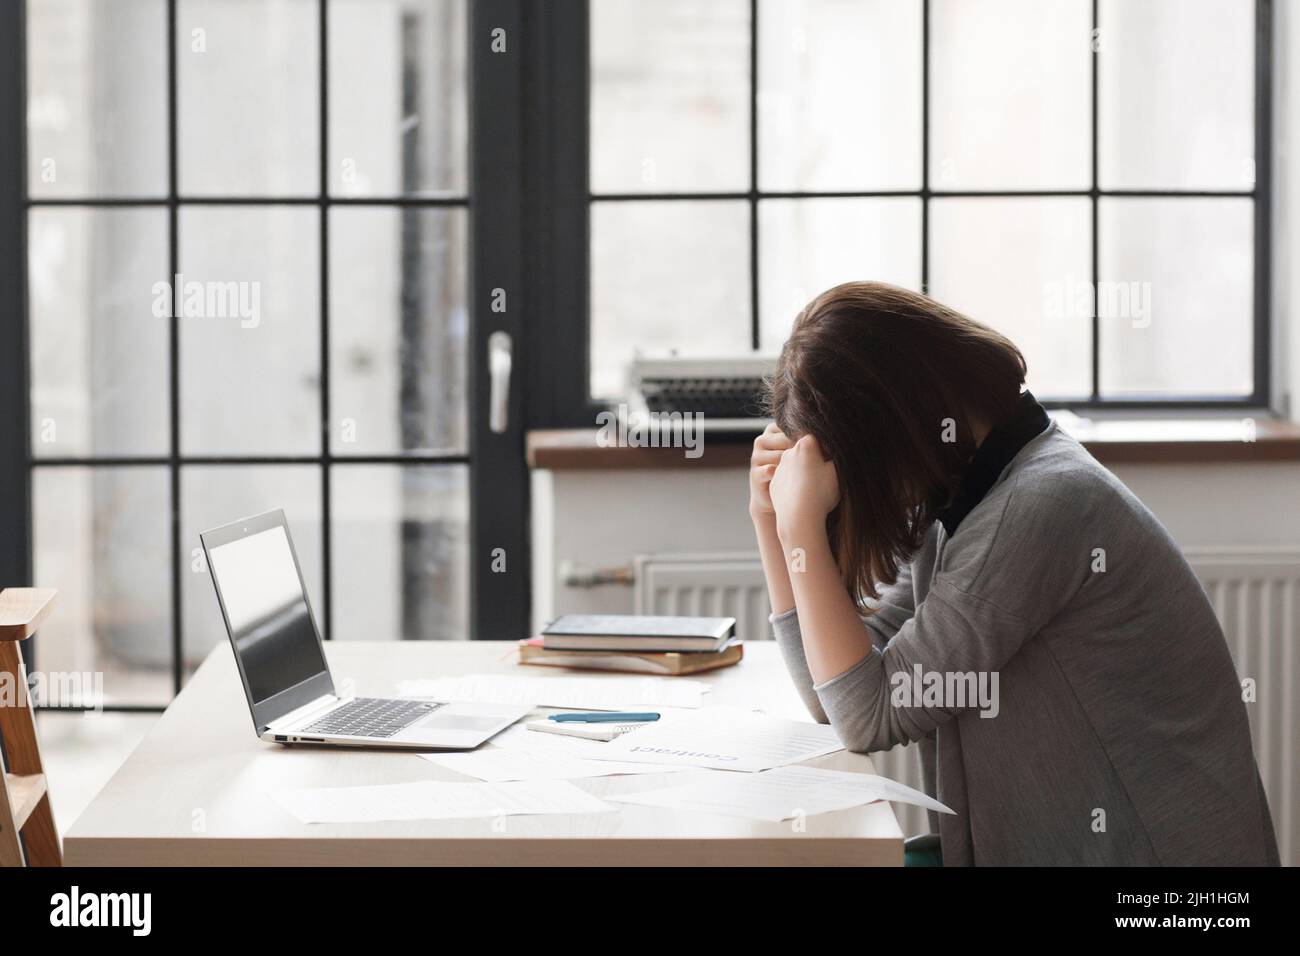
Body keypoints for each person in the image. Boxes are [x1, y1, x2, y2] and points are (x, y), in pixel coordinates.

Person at [749, 280, 1279, 866]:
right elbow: (837, 690)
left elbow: (866, 713)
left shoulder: (1038, 505)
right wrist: (773, 522)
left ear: (892, 432)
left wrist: (802, 531)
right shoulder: (966, 497)